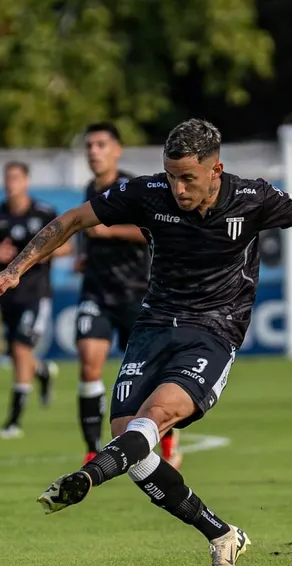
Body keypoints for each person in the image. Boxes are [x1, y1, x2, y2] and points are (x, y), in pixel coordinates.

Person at [0, 119, 292, 566]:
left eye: (188, 178)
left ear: (215, 169)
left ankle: (89, 476)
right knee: (131, 442)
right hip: (154, 325)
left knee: (152, 420)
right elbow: (73, 220)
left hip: (214, 330)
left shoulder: (252, 198)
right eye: (171, 176)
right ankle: (221, 534)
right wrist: (17, 268)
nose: (178, 188)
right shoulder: (148, 193)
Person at [71, 123, 182, 466]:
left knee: (150, 375)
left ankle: (168, 440)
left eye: (101, 145)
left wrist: (109, 232)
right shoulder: (89, 189)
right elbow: (85, 229)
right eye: (89, 145)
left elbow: (151, 230)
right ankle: (92, 449)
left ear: (117, 150)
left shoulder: (133, 189)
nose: (94, 151)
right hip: (97, 291)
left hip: (137, 292)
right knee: (89, 363)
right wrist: (86, 255)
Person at [0, 161, 63, 439]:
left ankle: (14, 420)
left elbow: (67, 243)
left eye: (16, 178)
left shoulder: (44, 213)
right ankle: (43, 371)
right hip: (7, 295)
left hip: (37, 293)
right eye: (7, 178)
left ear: (26, 182)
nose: (11, 183)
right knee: (18, 353)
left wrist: (40, 254)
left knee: (21, 349)